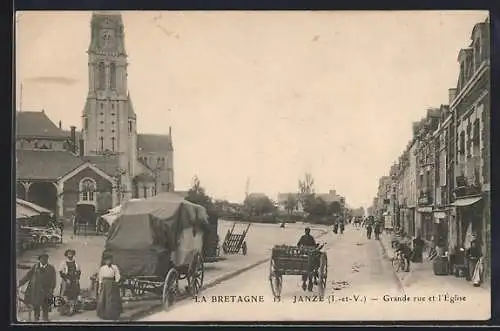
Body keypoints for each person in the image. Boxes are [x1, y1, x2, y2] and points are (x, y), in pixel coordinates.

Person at [17, 252, 57, 322]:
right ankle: (36, 318)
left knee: (45, 304)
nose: (44, 260)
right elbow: (27, 276)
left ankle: (45, 318)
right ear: (39, 259)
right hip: (36, 289)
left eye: (46, 258)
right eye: (42, 258)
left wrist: (52, 289)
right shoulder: (35, 267)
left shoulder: (51, 268)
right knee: (36, 304)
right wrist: (20, 283)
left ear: (47, 259)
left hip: (46, 289)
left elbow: (53, 279)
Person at [96, 254, 123, 320]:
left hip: (112, 284)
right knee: (103, 299)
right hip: (104, 284)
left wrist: (116, 282)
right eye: (107, 260)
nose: (108, 261)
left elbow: (117, 276)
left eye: (110, 260)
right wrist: (100, 285)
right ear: (105, 261)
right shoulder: (102, 268)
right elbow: (100, 278)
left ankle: (112, 315)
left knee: (111, 299)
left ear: (112, 260)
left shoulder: (114, 267)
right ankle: (104, 315)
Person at [59, 249, 81, 316]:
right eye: (69, 253)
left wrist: (77, 278)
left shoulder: (76, 263)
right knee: (65, 294)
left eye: (71, 253)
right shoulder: (63, 262)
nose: (70, 255)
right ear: (66, 254)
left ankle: (73, 309)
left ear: (73, 254)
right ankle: (64, 310)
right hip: (66, 280)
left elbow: (79, 271)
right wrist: (66, 279)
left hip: (74, 280)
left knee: (75, 294)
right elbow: (61, 272)